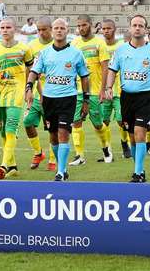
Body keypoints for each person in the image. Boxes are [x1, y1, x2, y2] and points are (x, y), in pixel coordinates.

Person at [105, 15, 150, 183]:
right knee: (132, 136)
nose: (137, 28)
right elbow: (112, 70)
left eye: (140, 25)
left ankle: (138, 173)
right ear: (129, 28)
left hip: (145, 96)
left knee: (139, 132)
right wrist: (108, 88)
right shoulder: (120, 50)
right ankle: (138, 168)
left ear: (145, 29)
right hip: (126, 96)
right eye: (134, 25)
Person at [25, 18, 89, 182]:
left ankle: (60, 172)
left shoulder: (76, 53)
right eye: (56, 28)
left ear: (67, 31)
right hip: (49, 100)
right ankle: (63, 167)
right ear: (52, 31)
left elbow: (84, 77)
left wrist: (86, 99)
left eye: (62, 28)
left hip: (68, 99)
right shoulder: (45, 53)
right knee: (53, 136)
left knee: (63, 134)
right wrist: (29, 88)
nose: (59, 30)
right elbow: (34, 71)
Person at [0, 18, 34, 179]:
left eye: (8, 27)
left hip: (17, 94)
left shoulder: (24, 48)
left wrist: (30, 89)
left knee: (10, 129)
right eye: (2, 27)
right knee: (3, 133)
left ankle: (3, 165)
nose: (4, 30)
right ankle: (13, 166)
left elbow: (32, 70)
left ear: (14, 29)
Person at [69, 15, 114, 166]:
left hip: (95, 90)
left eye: (84, 25)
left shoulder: (99, 43)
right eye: (79, 25)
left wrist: (103, 89)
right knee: (76, 121)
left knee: (97, 124)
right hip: (77, 90)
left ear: (91, 25)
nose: (81, 28)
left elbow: (105, 67)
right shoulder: (74, 43)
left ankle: (106, 148)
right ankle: (79, 155)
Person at [23, 17, 56, 172]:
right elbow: (28, 70)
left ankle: (52, 158)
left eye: (44, 29)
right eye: (39, 30)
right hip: (36, 93)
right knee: (27, 122)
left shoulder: (58, 45)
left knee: (52, 128)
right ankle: (38, 153)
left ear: (51, 29)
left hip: (54, 93)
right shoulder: (32, 46)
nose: (41, 33)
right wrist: (27, 89)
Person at [99, 19, 131, 159]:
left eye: (109, 28)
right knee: (103, 122)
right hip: (102, 90)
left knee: (120, 120)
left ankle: (124, 143)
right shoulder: (99, 46)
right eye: (104, 28)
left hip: (119, 91)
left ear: (115, 29)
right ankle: (107, 150)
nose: (106, 31)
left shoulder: (122, 46)